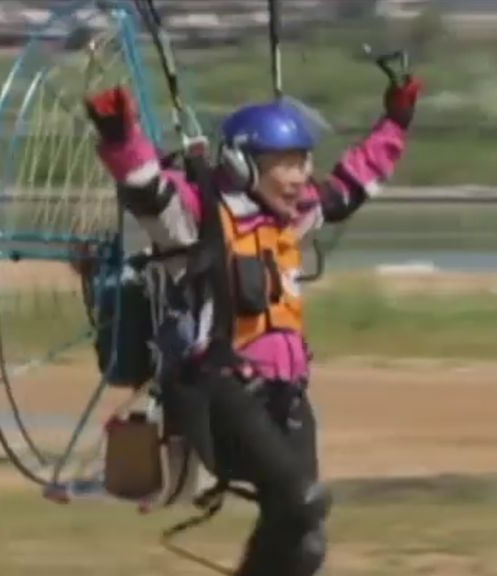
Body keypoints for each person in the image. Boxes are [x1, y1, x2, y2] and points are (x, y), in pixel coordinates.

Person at [82, 69, 422, 575]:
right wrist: (120, 135)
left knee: (304, 541)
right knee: (301, 501)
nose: (301, 175)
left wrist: (396, 120)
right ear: (242, 167)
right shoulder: (197, 220)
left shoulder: (291, 218)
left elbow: (353, 183)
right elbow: (148, 190)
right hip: (217, 392)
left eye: (303, 161)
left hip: (285, 398)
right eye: (285, 163)